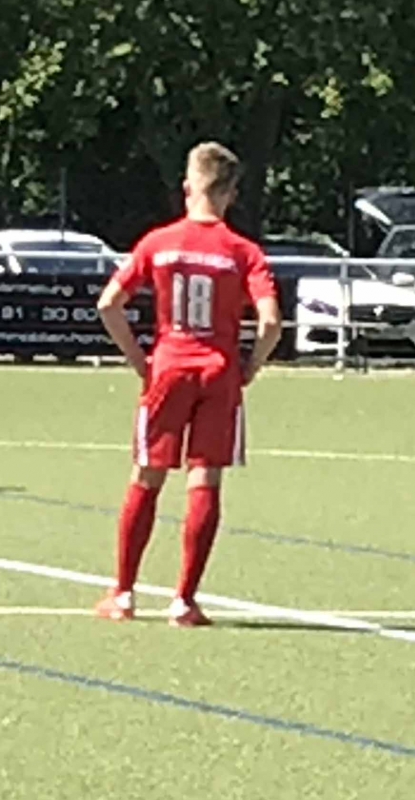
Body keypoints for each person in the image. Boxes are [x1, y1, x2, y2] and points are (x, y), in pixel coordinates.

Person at [94, 141, 283, 627]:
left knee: (147, 474)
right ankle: (184, 601)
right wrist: (251, 366)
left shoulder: (159, 242)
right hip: (218, 371)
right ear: (231, 194)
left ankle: (124, 595)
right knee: (205, 478)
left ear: (187, 186)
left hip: (169, 366)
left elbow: (109, 304)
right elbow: (270, 322)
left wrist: (139, 360)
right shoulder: (244, 252)